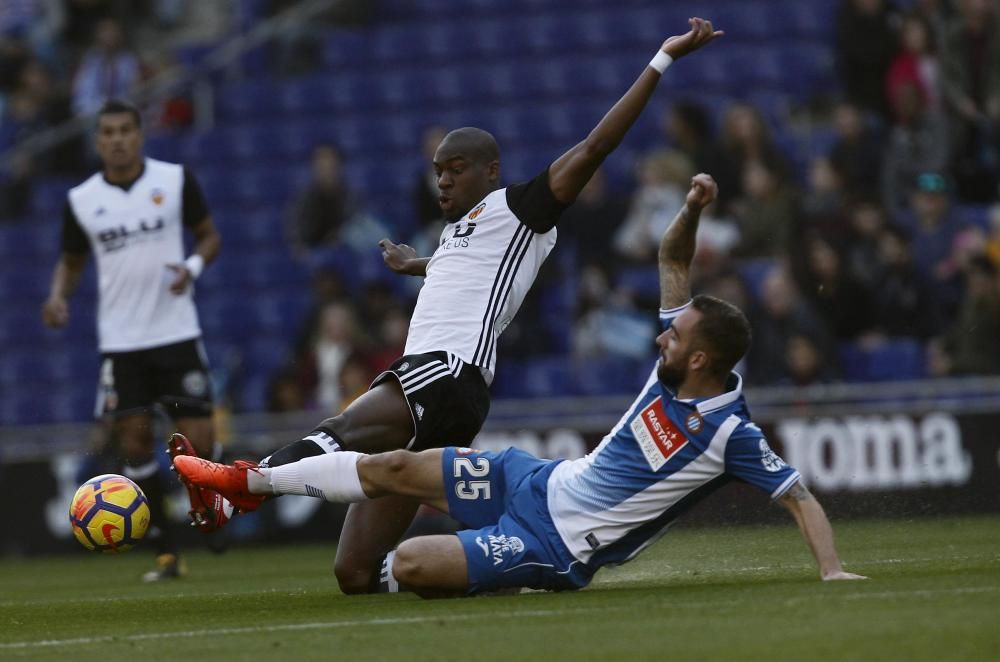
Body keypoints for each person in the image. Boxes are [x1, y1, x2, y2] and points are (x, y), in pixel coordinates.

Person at [169, 18, 726, 595]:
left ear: (491, 171)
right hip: (446, 391)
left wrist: (661, 59)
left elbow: (596, 146)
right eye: (437, 172)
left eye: (456, 170)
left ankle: (234, 491)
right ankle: (500, 571)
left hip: (445, 369)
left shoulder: (519, 210)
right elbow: (464, 277)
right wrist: (418, 264)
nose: (443, 182)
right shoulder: (457, 235)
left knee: (344, 427)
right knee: (355, 573)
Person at [174, 174, 867, 597]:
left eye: (674, 336)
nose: (661, 335)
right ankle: (242, 484)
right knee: (391, 467)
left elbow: (798, 497)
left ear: (701, 362)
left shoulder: (729, 432)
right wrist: (690, 206)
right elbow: (672, 256)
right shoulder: (674, 371)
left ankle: (468, 565)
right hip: (533, 481)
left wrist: (831, 571)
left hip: (555, 546)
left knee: (410, 565)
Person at [41, 99, 221, 581]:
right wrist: (59, 296)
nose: (117, 139)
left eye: (125, 130)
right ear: (98, 142)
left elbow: (208, 236)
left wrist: (193, 267)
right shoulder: (82, 200)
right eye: (108, 132)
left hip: (176, 332)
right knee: (135, 441)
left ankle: (213, 508)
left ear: (139, 135)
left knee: (199, 446)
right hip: (121, 343)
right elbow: (73, 259)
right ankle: (165, 552)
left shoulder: (174, 180)